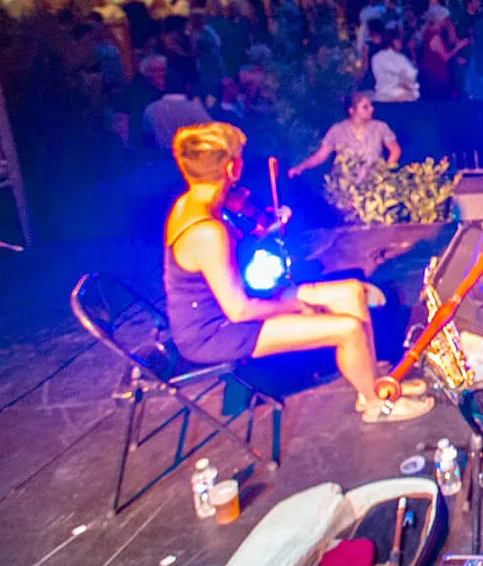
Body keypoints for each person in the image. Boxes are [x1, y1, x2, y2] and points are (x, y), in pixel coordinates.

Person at [163, 123, 430, 424]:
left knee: (352, 291)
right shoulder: (207, 231)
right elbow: (238, 310)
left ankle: (373, 385)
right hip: (214, 331)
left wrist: (262, 228)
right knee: (348, 329)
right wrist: (295, 306)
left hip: (234, 304)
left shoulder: (195, 203)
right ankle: (374, 405)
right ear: (231, 168)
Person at [289, 91, 402, 178]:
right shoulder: (337, 131)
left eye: (370, 105)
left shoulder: (380, 127)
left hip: (373, 188)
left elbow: (395, 150)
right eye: (365, 107)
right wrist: (301, 167)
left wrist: (383, 173)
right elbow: (319, 157)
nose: (371, 109)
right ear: (352, 111)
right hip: (345, 189)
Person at [369, 28, 421, 103]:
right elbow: (411, 76)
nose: (401, 43)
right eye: (399, 41)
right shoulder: (400, 58)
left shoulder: (375, 58)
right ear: (393, 41)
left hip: (381, 96)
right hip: (400, 97)